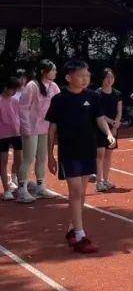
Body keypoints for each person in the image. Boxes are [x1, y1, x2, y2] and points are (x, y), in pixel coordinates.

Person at [45, 59, 116, 254]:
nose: (85, 79)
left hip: (88, 150)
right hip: (68, 152)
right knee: (75, 192)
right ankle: (80, 235)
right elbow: (52, 129)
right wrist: (50, 155)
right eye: (81, 75)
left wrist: (108, 134)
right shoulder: (59, 100)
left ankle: (71, 229)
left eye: (87, 75)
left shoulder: (93, 97)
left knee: (82, 193)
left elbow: (99, 118)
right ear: (69, 77)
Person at [19, 59, 59, 199]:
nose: (55, 72)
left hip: (46, 128)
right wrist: (26, 128)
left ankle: (40, 186)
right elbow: (23, 108)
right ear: (44, 71)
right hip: (31, 127)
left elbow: (59, 104)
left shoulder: (53, 86)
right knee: (28, 158)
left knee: (42, 157)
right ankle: (22, 190)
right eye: (53, 69)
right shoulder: (32, 85)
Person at [93, 68, 122, 193]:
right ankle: (98, 181)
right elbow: (99, 113)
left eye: (112, 77)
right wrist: (111, 122)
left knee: (109, 154)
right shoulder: (96, 94)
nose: (109, 80)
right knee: (100, 154)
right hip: (100, 126)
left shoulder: (117, 94)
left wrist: (116, 124)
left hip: (113, 126)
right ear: (102, 79)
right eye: (107, 77)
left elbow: (119, 110)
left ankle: (105, 179)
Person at [1, 77, 24, 201]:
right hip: (2, 136)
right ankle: (6, 190)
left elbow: (19, 116)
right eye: (12, 89)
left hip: (16, 134)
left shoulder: (15, 101)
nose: (14, 92)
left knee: (19, 159)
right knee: (3, 162)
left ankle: (19, 185)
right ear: (5, 88)